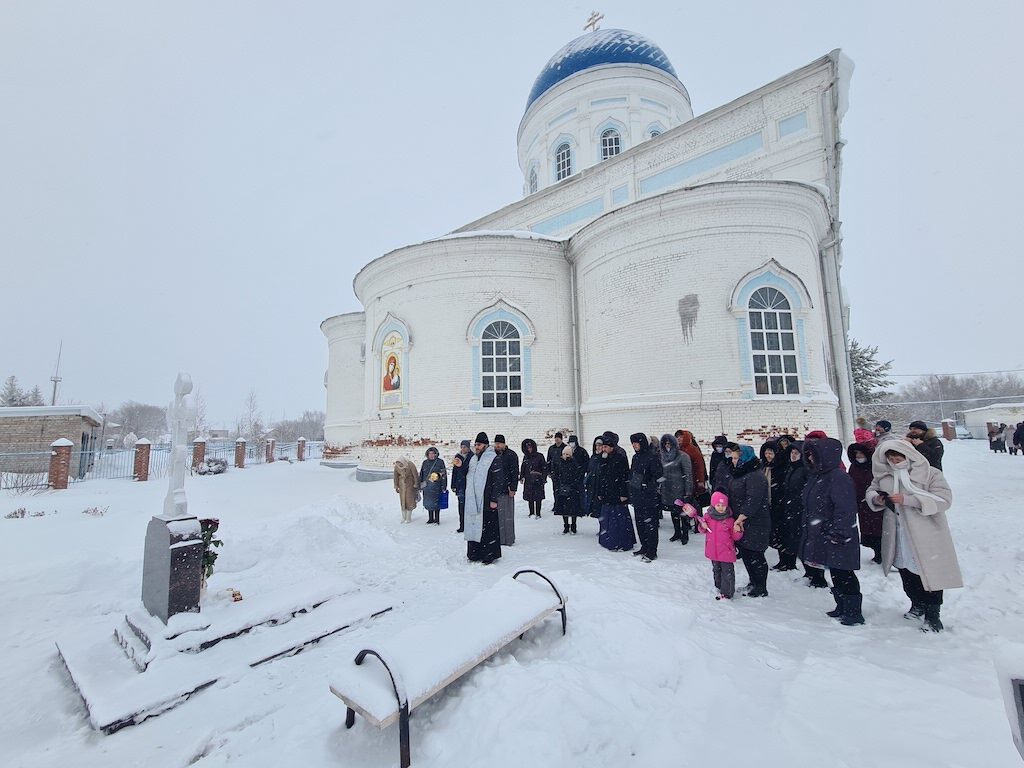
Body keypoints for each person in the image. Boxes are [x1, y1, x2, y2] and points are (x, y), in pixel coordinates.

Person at [866, 440, 962, 632]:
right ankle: (917, 603)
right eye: (890, 458)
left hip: (926, 533)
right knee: (906, 571)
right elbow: (871, 491)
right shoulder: (885, 476)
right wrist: (878, 499)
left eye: (898, 457)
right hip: (898, 531)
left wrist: (909, 500)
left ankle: (933, 615)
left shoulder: (929, 473)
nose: (894, 462)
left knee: (929, 572)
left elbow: (944, 500)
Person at [801, 438, 864, 626]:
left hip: (838, 535)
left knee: (845, 573)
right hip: (823, 532)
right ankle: (841, 605)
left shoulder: (838, 477)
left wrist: (839, 532)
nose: (809, 458)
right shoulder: (818, 476)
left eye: (813, 454)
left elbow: (845, 509)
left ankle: (853, 612)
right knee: (835, 571)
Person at [681, 492, 744, 599]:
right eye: (718, 505)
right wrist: (702, 525)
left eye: (723, 505)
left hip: (726, 551)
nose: (721, 508)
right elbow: (702, 530)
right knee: (716, 569)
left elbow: (735, 537)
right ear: (713, 505)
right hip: (713, 550)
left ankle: (727, 592)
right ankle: (718, 586)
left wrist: (738, 530)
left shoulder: (730, 520)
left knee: (727, 572)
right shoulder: (708, 517)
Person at [727, 443, 770, 597]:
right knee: (746, 553)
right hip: (741, 521)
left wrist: (742, 516)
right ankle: (753, 582)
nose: (733, 461)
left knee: (755, 554)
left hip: (755, 522)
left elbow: (753, 499)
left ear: (745, 458)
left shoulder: (755, 475)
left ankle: (761, 587)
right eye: (732, 458)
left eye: (736, 458)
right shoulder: (739, 473)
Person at [464, 433, 502, 564]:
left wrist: (494, 499)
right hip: (474, 500)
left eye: (479, 445)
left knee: (488, 529)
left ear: (485, 445)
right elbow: (467, 475)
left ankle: (489, 554)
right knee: (475, 526)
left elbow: (498, 481)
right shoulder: (473, 459)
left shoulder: (493, 459)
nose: (476, 447)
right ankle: (475, 553)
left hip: (487, 500)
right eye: (475, 445)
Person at [595, 431, 635, 552]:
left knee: (619, 519)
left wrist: (624, 494)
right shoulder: (603, 459)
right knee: (607, 519)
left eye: (605, 447)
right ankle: (608, 541)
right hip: (606, 493)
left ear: (611, 447)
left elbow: (624, 477)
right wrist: (600, 492)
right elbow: (600, 477)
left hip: (617, 493)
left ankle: (622, 541)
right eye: (603, 447)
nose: (603, 449)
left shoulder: (619, 458)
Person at [629, 433, 664, 562]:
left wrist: (648, 484)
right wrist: (632, 488)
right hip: (638, 496)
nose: (634, 445)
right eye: (632, 443)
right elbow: (632, 474)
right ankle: (644, 546)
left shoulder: (652, 457)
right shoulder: (635, 457)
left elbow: (659, 476)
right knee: (640, 524)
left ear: (642, 443)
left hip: (649, 497)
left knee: (650, 524)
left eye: (636, 443)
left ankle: (652, 550)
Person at [848, 440, 880, 563]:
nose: (858, 456)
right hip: (861, 504)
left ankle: (881, 553)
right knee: (868, 529)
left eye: (861, 453)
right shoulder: (854, 467)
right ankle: (876, 551)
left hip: (876, 503)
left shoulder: (875, 467)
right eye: (856, 453)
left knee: (879, 530)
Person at [777, 440, 807, 572]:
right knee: (792, 538)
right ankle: (791, 563)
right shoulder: (792, 468)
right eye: (792, 453)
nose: (793, 456)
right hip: (791, 509)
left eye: (796, 453)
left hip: (800, 509)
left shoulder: (805, 469)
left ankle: (813, 574)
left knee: (801, 540)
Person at [660, 433, 694, 545]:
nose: (667, 446)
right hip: (668, 489)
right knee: (673, 512)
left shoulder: (682, 456)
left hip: (680, 489)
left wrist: (688, 491)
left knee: (683, 512)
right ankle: (677, 532)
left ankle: (685, 534)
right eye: (665, 444)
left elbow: (688, 474)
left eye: (669, 443)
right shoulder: (663, 456)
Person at [761, 440, 787, 569]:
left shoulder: (781, 467)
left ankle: (786, 560)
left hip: (780, 505)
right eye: (766, 453)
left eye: (770, 453)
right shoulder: (764, 467)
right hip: (768, 504)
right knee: (774, 533)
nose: (768, 456)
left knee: (782, 533)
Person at [675, 429, 709, 516]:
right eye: (677, 437)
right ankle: (686, 519)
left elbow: (700, 466)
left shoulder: (693, 449)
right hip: (681, 482)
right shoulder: (676, 449)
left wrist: (700, 481)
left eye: (681, 437)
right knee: (683, 503)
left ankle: (697, 520)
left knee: (695, 502)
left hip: (692, 480)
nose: (679, 439)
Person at [552, 444, 585, 534]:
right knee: (564, 509)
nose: (565, 456)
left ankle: (573, 526)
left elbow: (577, 475)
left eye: (567, 454)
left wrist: (573, 485)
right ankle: (566, 526)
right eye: (564, 454)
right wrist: (559, 484)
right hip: (562, 489)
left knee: (573, 509)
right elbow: (556, 474)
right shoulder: (560, 463)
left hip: (572, 489)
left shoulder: (574, 463)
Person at [493, 434, 518, 545]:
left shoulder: (511, 455)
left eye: (499, 443)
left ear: (504, 444)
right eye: (496, 444)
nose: (497, 446)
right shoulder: (493, 455)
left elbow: (514, 472)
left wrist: (513, 488)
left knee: (507, 516)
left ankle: (508, 539)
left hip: (507, 489)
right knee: (497, 517)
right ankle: (499, 538)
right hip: (495, 490)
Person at [418, 447, 448, 525]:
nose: (431, 455)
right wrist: (420, 484)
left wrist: (444, 486)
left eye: (433, 453)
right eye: (429, 453)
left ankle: (437, 519)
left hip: (436, 486)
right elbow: (421, 474)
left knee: (436, 503)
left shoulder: (440, 462)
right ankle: (430, 518)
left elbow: (443, 474)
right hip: (427, 486)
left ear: (436, 454)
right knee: (428, 502)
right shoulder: (425, 462)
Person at [520, 438, 548, 518]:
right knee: (530, 497)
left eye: (530, 447)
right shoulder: (526, 457)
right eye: (527, 448)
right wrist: (521, 477)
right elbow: (523, 467)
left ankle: (538, 513)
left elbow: (544, 468)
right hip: (528, 479)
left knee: (538, 497)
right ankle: (531, 512)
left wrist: (543, 478)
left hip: (538, 479)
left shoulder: (540, 456)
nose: (529, 449)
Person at [450, 440, 472, 532]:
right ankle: (462, 525)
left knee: (470, 506)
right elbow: (454, 471)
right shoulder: (458, 457)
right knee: (461, 506)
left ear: (468, 448)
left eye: (465, 447)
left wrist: (462, 466)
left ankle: (470, 525)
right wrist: (453, 484)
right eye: (462, 447)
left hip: (469, 484)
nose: (463, 449)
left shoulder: (472, 457)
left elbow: (469, 470)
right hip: (460, 485)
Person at [393, 457, 420, 524]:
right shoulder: (396, 466)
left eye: (401, 464)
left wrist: (416, 483)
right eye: (398, 464)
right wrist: (396, 486)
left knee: (409, 501)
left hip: (410, 485)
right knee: (403, 501)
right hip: (401, 486)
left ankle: (408, 518)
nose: (400, 465)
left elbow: (415, 474)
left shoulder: (410, 464)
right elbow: (395, 476)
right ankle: (403, 517)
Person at [584, 436, 605, 520]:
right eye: (597, 445)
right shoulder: (593, 456)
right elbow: (589, 469)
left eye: (600, 445)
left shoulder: (604, 457)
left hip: (600, 484)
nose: (598, 447)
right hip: (592, 484)